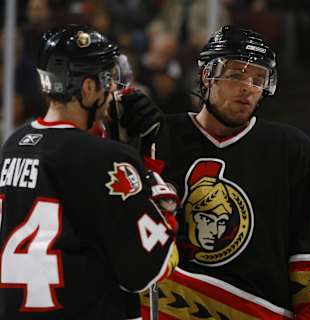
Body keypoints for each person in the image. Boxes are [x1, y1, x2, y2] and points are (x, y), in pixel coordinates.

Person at [114, 25, 310, 319]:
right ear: (206, 76)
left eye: (258, 78)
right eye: (236, 74)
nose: (248, 87)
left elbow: (309, 247)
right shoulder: (159, 136)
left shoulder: (292, 149)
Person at [0, 25, 178, 319]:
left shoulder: (14, 144)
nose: (113, 91)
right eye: (107, 80)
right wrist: (152, 177)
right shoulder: (105, 157)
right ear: (88, 88)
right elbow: (149, 268)